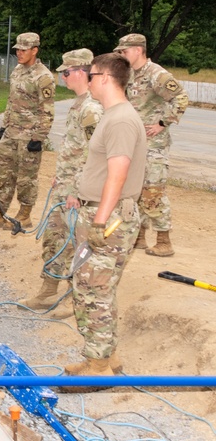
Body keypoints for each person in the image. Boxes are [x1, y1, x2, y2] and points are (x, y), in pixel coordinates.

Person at [64, 52, 145, 381]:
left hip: (107, 216)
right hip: (98, 211)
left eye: (92, 74)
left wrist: (100, 221)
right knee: (94, 288)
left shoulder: (122, 119)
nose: (88, 78)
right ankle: (106, 358)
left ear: (107, 79)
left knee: (94, 291)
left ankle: (98, 370)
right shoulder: (113, 116)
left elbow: (118, 174)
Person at [22, 49, 103, 310]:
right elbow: (75, 148)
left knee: (76, 244)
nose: (62, 78)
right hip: (67, 186)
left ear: (81, 72)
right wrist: (62, 178)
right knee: (55, 238)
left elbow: (96, 155)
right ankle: (48, 290)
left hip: (79, 193)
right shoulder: (79, 103)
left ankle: (72, 298)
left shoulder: (91, 108)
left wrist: (78, 191)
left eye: (66, 73)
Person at [114, 34, 189, 257]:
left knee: (153, 190)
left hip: (154, 145)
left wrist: (163, 122)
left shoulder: (156, 73)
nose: (121, 55)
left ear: (138, 50)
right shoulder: (129, 74)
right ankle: (139, 236)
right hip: (135, 143)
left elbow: (181, 97)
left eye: (124, 51)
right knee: (135, 190)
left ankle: (164, 240)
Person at [0, 32, 54, 230]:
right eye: (17, 49)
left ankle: (24, 214)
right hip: (11, 132)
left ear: (34, 50)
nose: (19, 53)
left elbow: (48, 111)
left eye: (23, 49)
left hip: (30, 136)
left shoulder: (43, 76)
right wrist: (4, 126)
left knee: (27, 178)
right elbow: (11, 102)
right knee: (4, 174)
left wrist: (39, 137)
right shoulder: (17, 70)